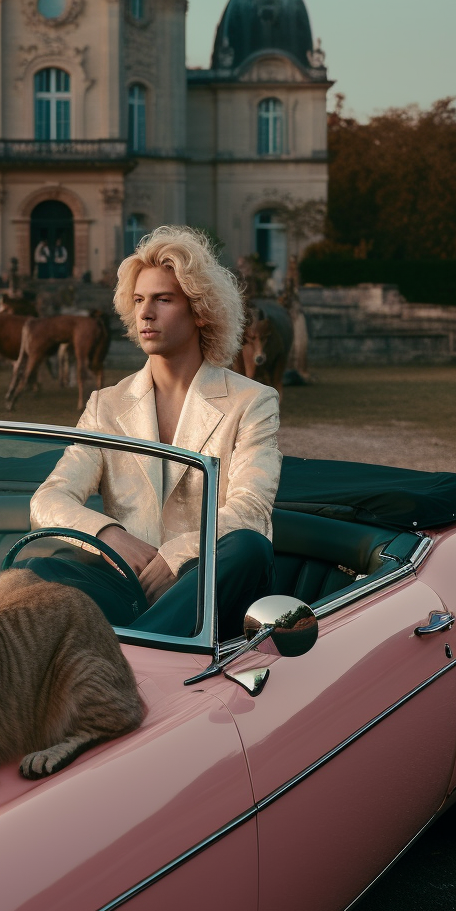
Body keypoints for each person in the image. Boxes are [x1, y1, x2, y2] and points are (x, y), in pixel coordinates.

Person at [28, 225, 280, 639]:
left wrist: (176, 557)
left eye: (164, 300)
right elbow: (49, 499)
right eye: (140, 300)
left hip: (210, 584)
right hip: (131, 583)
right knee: (40, 569)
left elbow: (251, 508)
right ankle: (151, 641)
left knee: (249, 547)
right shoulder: (105, 404)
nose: (145, 313)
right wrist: (109, 535)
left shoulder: (251, 401)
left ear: (200, 311)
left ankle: (136, 654)